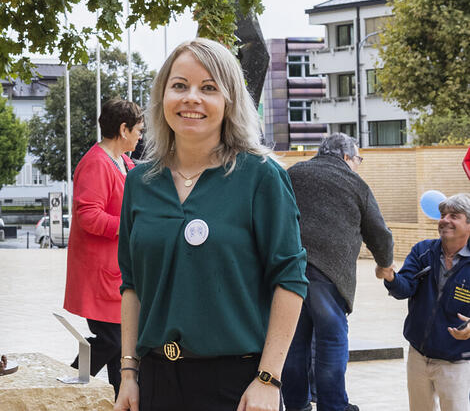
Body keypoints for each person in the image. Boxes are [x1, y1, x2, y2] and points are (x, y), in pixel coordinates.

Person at [114, 38, 308, 411]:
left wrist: (269, 379)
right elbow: (132, 286)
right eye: (179, 85)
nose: (192, 98)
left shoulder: (261, 176)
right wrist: (128, 373)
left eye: (209, 88)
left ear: (229, 101)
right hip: (156, 380)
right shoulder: (140, 183)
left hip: (238, 385)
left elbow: (290, 280)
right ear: (162, 97)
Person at [282, 133, 394, 411]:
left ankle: (296, 405)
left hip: (289, 272)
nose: (358, 165)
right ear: (346, 157)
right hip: (329, 276)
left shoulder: (292, 174)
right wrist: (385, 263)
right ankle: (333, 405)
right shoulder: (355, 183)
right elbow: (380, 234)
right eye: (358, 159)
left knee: (292, 344)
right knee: (331, 342)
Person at [64, 98, 144, 394]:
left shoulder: (123, 162)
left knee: (122, 342)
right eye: (138, 130)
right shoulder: (97, 162)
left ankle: (116, 395)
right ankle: (70, 383)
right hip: (100, 272)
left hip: (115, 271)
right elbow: (87, 216)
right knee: (112, 340)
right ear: (123, 129)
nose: (140, 136)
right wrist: (128, 227)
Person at [380, 192, 470, 411]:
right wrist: (391, 277)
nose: (445, 220)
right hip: (418, 356)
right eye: (443, 214)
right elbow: (405, 289)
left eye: (454, 216)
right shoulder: (423, 251)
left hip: (456, 360)